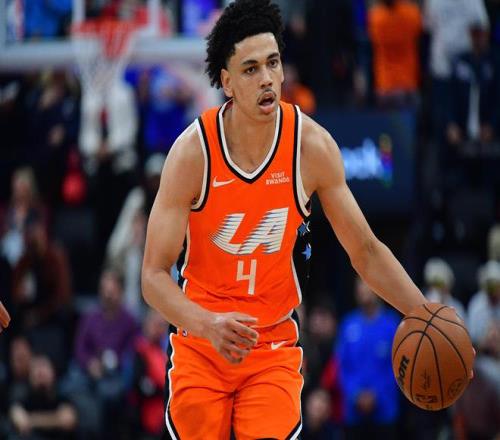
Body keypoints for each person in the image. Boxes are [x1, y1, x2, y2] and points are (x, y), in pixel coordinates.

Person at [141, 1, 456, 438]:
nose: (267, 78)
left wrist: (424, 313)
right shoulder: (193, 154)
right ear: (227, 82)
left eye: (273, 63)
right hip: (201, 342)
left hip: (271, 345)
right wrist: (207, 324)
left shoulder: (311, 147)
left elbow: (365, 251)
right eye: (251, 69)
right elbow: (152, 276)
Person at [336, 278, 400, 440]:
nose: (363, 290)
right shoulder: (348, 324)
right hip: (354, 413)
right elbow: (342, 366)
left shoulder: (392, 324)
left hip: (384, 412)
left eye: (367, 286)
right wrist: (355, 394)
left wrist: (376, 395)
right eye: (359, 286)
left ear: (377, 289)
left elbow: (398, 368)